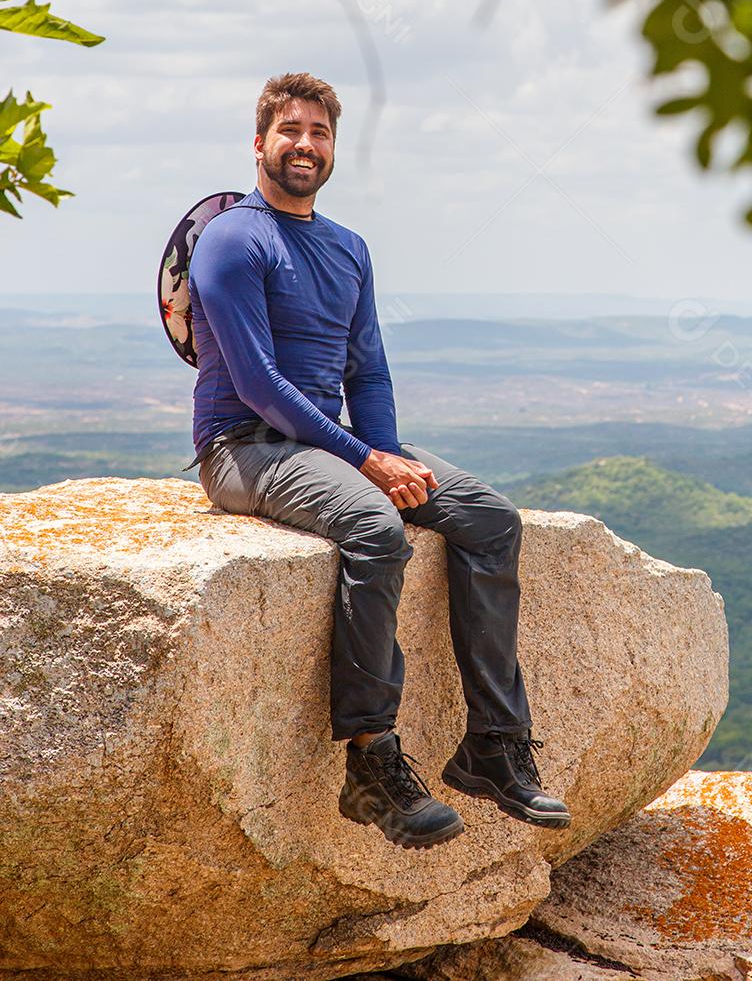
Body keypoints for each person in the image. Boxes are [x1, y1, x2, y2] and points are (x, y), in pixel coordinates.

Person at [186, 71, 570, 850]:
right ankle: (371, 761)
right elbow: (258, 385)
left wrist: (387, 454)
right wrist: (367, 464)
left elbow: (369, 373)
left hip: (324, 442)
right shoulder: (232, 238)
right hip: (243, 446)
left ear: (333, 148)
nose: (305, 145)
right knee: (374, 527)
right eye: (290, 130)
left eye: (319, 132)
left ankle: (493, 745)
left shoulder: (348, 248)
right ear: (259, 144)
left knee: (490, 519)